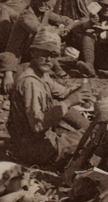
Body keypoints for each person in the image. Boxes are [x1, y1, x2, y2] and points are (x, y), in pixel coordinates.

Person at [6, 28, 92, 168]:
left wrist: (80, 91)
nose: (48, 59)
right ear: (33, 52)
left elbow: (62, 92)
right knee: (93, 136)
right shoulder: (31, 82)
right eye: (44, 54)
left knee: (81, 122)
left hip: (32, 143)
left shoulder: (40, 73)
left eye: (53, 55)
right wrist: (70, 101)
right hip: (37, 151)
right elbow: (38, 124)